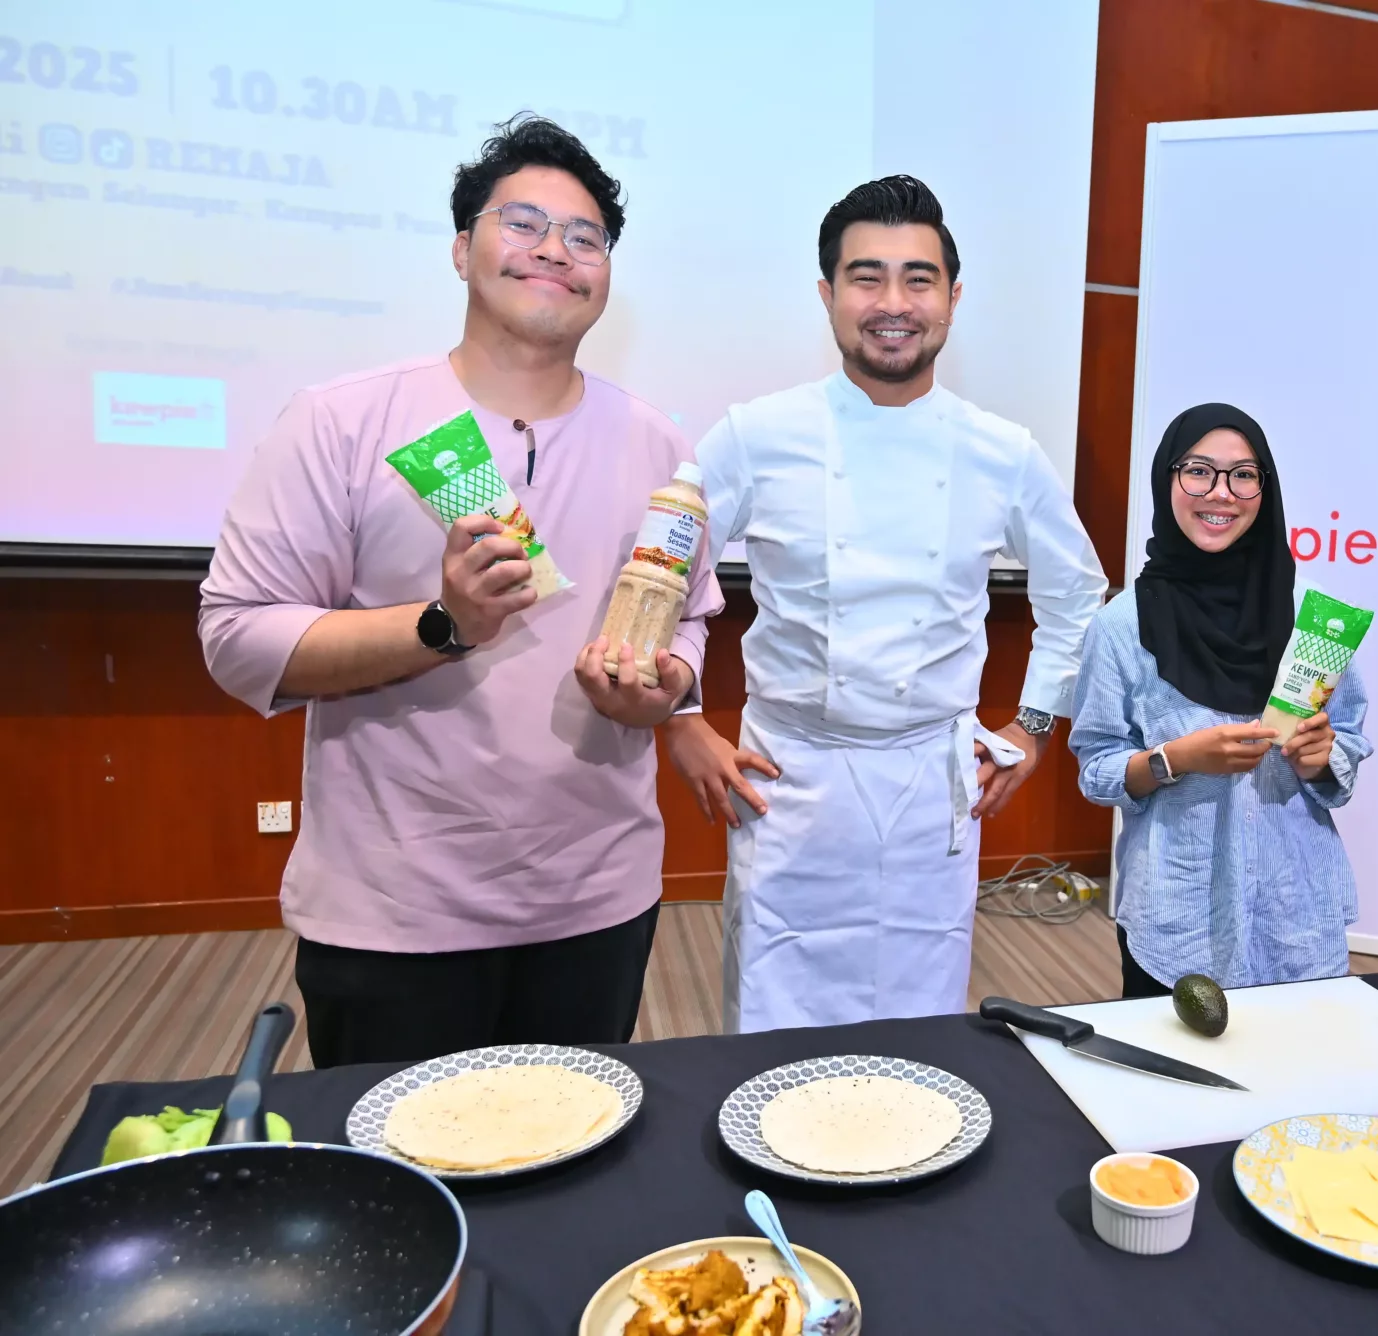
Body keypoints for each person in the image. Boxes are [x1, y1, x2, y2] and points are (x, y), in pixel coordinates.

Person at [199, 116, 722, 1066]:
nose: (554, 251)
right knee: (399, 1158)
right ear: (460, 248)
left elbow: (688, 618)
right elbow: (238, 638)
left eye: (585, 237)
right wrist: (444, 625)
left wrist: (666, 686)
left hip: (597, 899)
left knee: (578, 1144)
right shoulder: (343, 422)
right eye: (522, 223)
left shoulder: (659, 444)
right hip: (396, 909)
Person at [664, 175, 1107, 1033]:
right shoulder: (756, 435)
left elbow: (1077, 593)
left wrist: (1033, 727)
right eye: (866, 278)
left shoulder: (1002, 450)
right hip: (789, 778)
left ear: (953, 298)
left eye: (919, 279)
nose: (894, 303)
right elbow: (660, 571)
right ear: (828, 294)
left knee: (920, 1023)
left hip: (929, 787)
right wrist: (680, 719)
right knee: (774, 1021)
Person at [1070, 404, 1372, 997]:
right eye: (1199, 471)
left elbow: (1349, 742)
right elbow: (1096, 769)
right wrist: (1177, 758)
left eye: (1243, 475)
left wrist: (1322, 758)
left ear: (1266, 489)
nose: (1221, 493)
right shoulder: (1121, 627)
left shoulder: (1312, 617)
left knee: (1304, 1055)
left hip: (1296, 916)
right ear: (1168, 479)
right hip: (1176, 924)